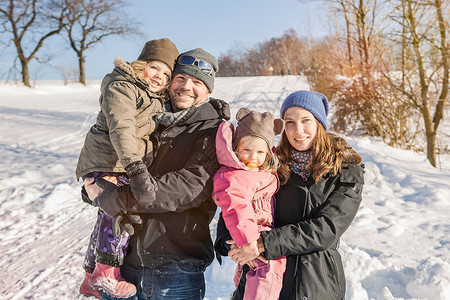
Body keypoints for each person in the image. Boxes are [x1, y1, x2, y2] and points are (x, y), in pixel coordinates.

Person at [84, 48, 231, 300]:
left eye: (197, 82)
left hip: (176, 267)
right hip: (125, 266)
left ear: (208, 90)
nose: (186, 87)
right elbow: (111, 158)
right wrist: (95, 183)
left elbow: (185, 189)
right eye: (181, 78)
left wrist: (112, 199)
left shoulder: (213, 131)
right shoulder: (145, 116)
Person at [215, 90, 365, 299]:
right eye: (290, 122)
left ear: (319, 123)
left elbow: (327, 228)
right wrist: (230, 240)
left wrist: (263, 243)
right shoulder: (270, 163)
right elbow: (237, 201)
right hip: (265, 276)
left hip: (315, 280)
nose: (298, 130)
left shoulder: (346, 170)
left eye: (306, 120)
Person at [76, 38, 179, 299]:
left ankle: (91, 274)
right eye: (155, 67)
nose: (159, 76)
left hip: (119, 163)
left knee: (106, 216)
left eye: (166, 74)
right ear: (141, 64)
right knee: (120, 211)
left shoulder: (152, 96)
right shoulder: (122, 86)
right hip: (110, 160)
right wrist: (135, 168)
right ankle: (106, 273)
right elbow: (122, 129)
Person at [213, 108, 286, 300]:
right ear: (235, 149)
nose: (254, 157)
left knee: (252, 268)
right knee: (269, 266)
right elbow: (237, 209)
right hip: (252, 234)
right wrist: (250, 241)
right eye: (247, 150)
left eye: (260, 152)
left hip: (260, 231)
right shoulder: (235, 175)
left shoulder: (259, 172)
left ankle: (242, 288)